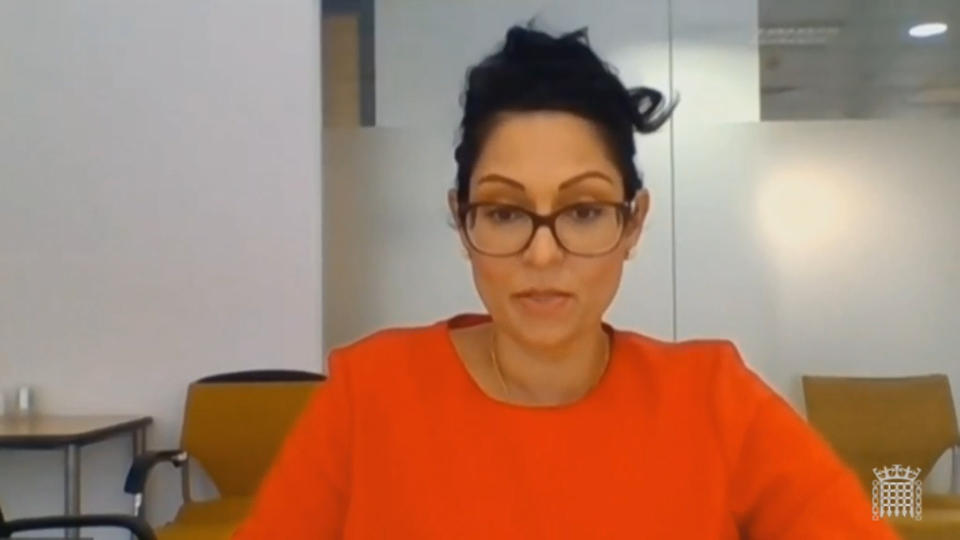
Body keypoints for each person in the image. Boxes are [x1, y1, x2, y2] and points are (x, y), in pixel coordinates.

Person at [232, 26, 899, 539]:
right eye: (504, 211)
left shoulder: (715, 400)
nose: (544, 256)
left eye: (582, 212)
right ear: (462, 222)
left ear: (634, 223)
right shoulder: (369, 395)